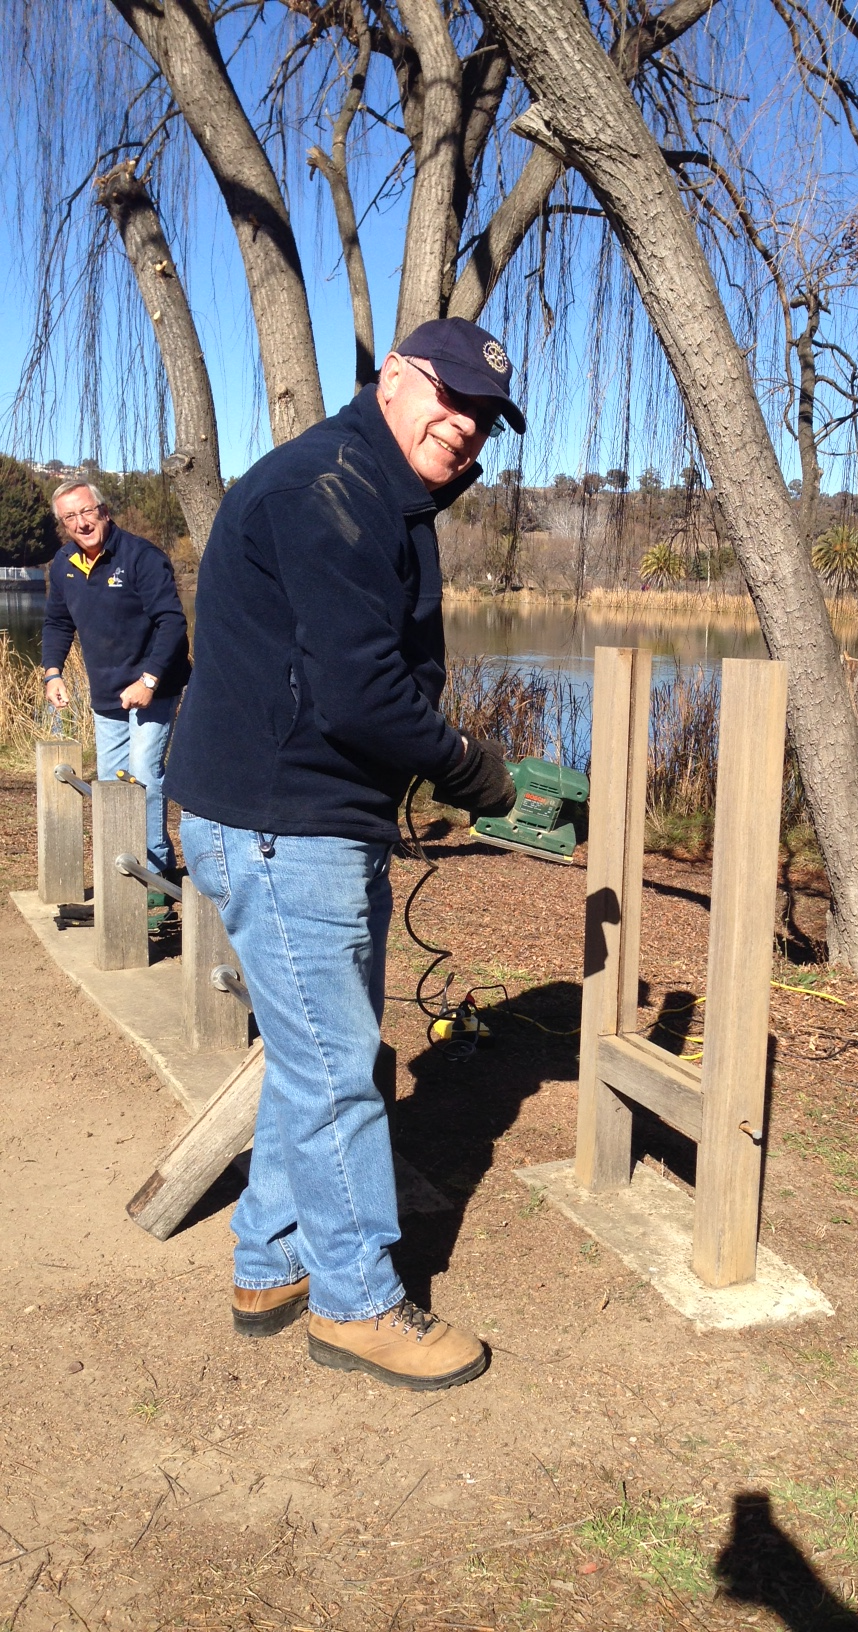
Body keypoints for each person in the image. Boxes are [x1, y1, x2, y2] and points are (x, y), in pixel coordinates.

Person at [166, 318, 523, 1393]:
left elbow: (378, 667)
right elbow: (362, 694)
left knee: (317, 1059)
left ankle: (269, 1265)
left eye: (484, 421)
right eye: (450, 401)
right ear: (397, 378)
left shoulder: (379, 492)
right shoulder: (325, 489)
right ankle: (358, 1302)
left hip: (311, 826)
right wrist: (468, 765)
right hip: (284, 831)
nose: (463, 431)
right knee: (337, 1075)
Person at [42, 482, 191, 875]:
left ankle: (155, 874)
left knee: (142, 775)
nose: (81, 522)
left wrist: (149, 680)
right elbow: (58, 622)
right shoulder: (64, 564)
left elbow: (172, 622)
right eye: (70, 517)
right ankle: (123, 873)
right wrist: (52, 673)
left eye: (87, 511)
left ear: (104, 511)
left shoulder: (141, 556)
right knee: (112, 783)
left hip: (154, 685)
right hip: (107, 689)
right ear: (63, 524)